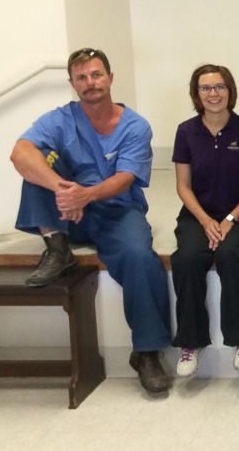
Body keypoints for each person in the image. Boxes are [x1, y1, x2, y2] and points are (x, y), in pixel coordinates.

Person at [10, 47, 171, 394]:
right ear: (72, 83)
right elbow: (19, 152)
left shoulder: (134, 125)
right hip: (70, 210)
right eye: (81, 77)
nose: (90, 82)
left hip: (117, 210)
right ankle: (57, 248)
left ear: (110, 78)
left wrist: (87, 194)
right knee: (36, 166)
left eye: (96, 75)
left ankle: (146, 353)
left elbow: (126, 177)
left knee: (140, 258)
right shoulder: (60, 119)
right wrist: (64, 189)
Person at [170, 64, 239, 377]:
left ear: (230, 90)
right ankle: (190, 342)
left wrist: (229, 220)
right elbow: (183, 185)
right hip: (198, 215)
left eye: (219, 87)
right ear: (197, 94)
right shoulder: (186, 131)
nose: (213, 94)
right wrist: (206, 221)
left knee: (230, 254)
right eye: (206, 88)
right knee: (187, 258)